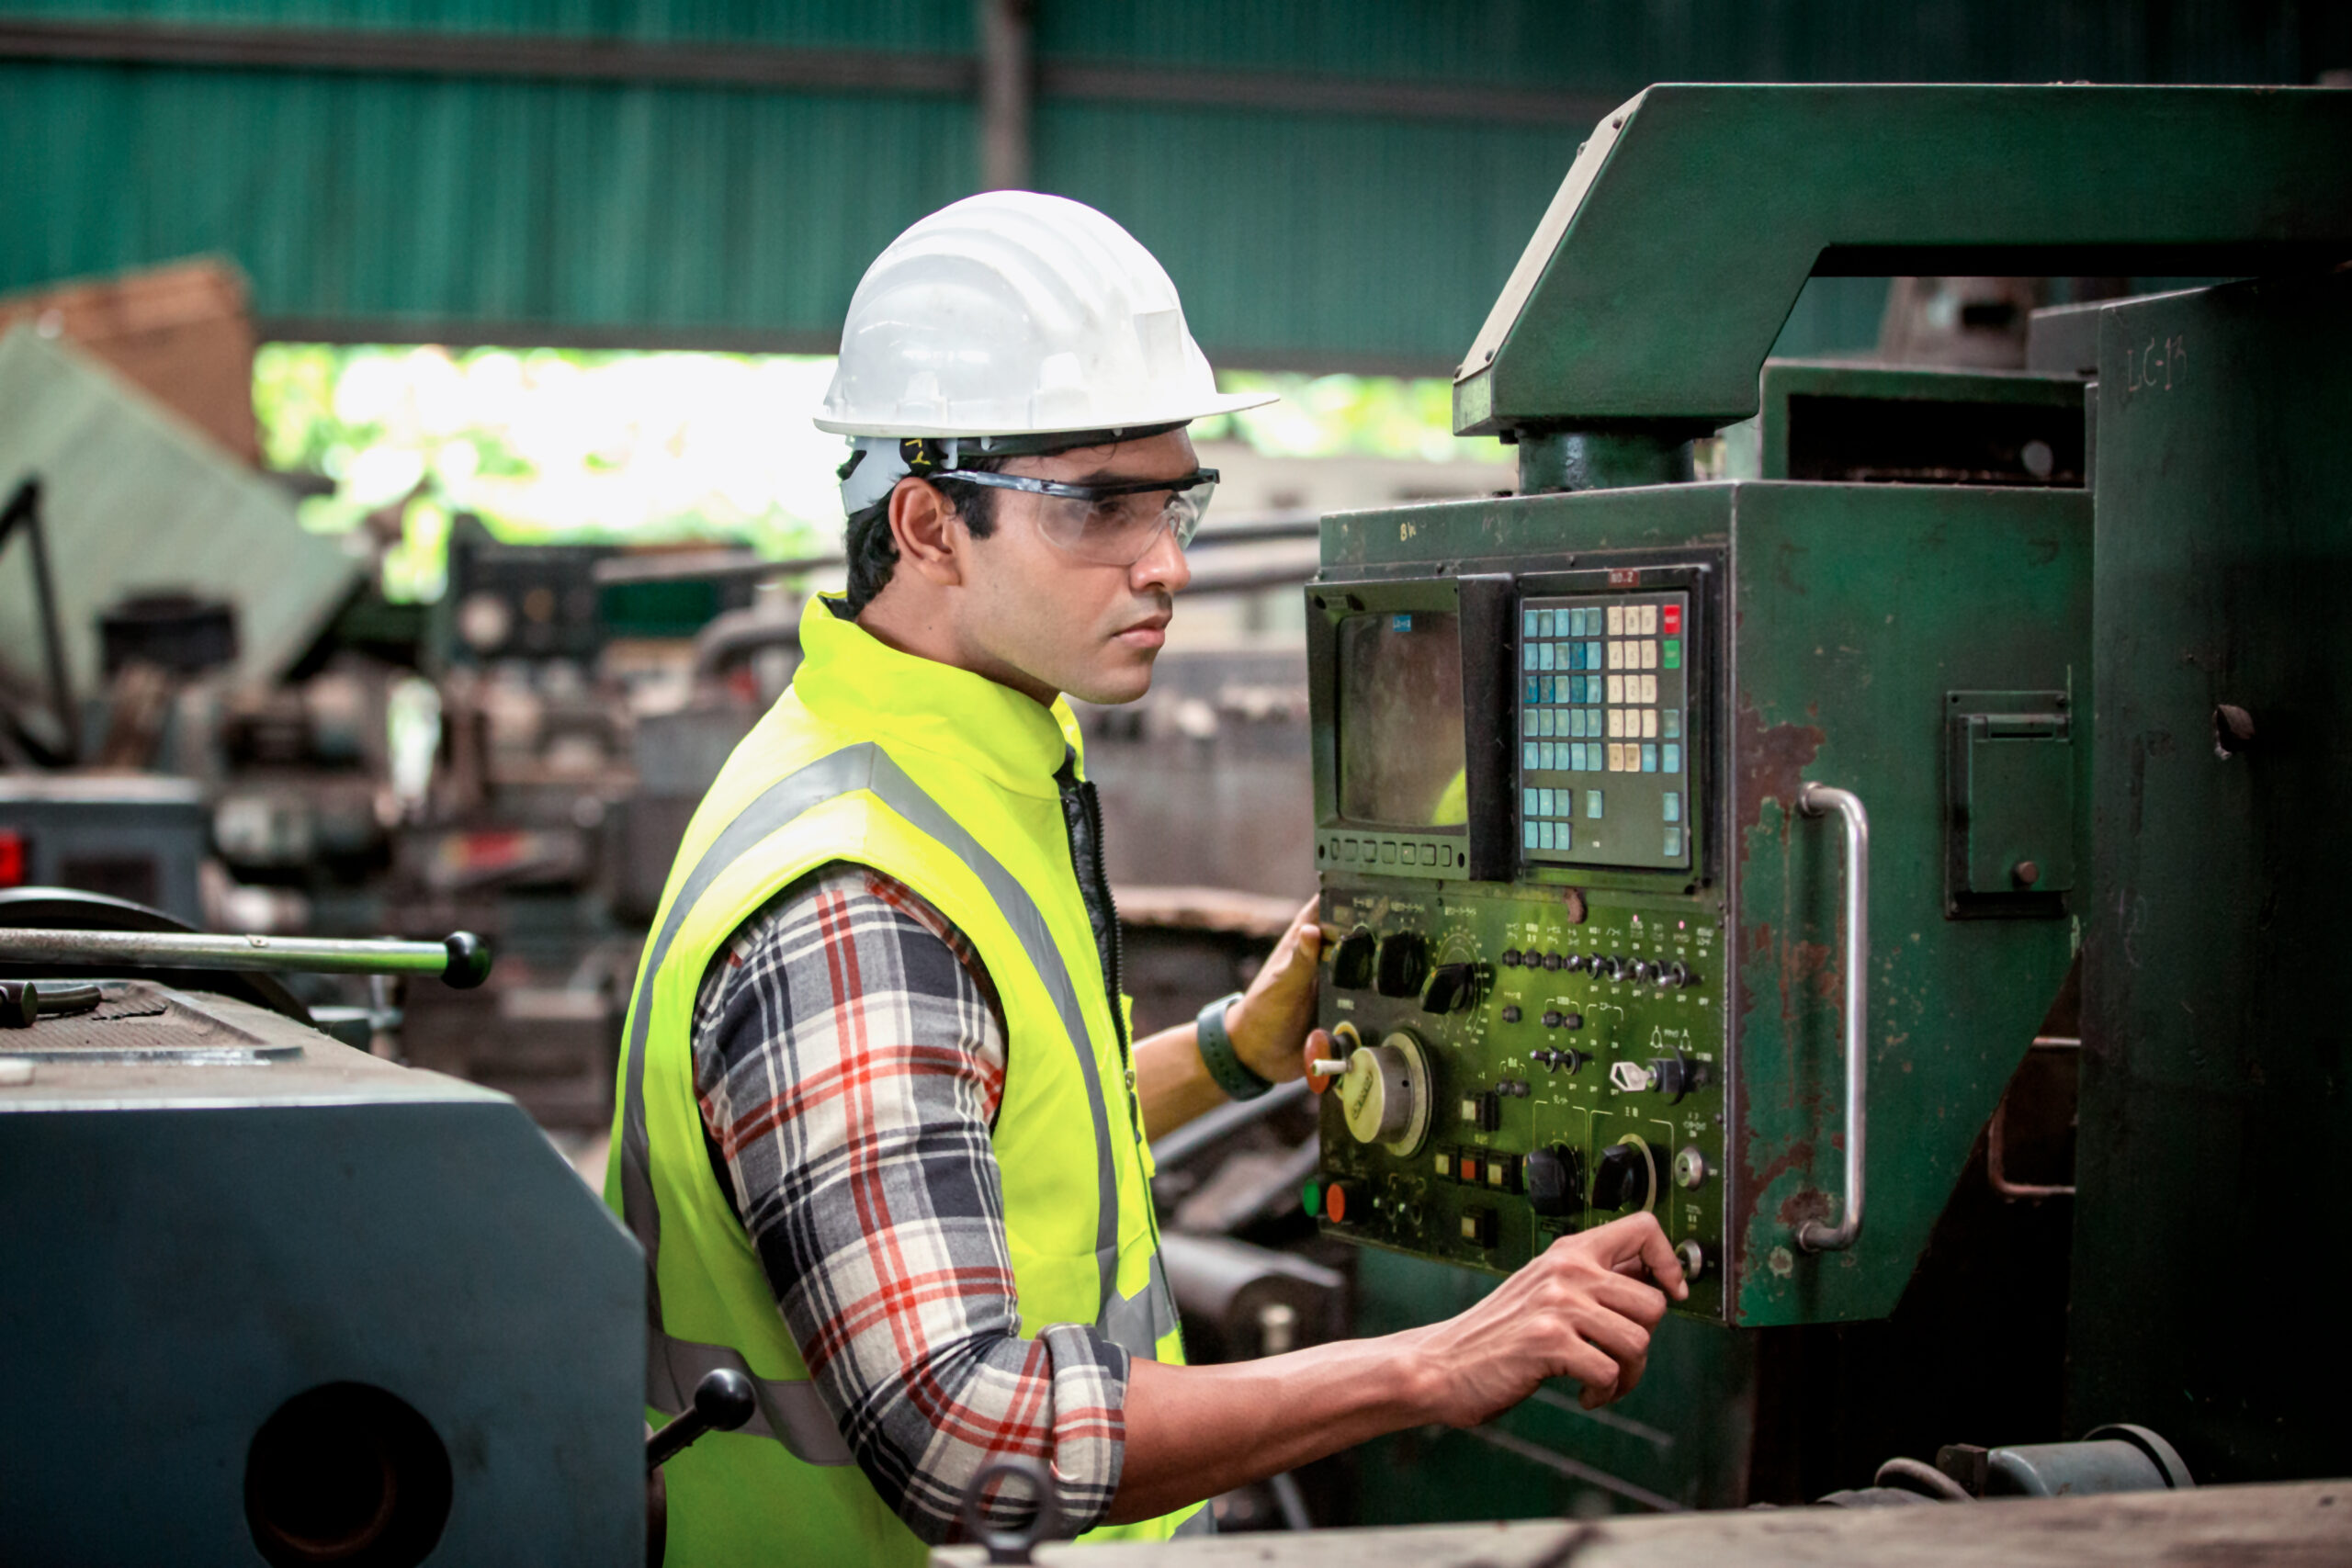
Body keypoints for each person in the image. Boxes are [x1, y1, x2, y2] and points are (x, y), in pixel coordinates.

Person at [606, 190, 1686, 1566]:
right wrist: (1432, 1362)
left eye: (1176, 499)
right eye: (1101, 508)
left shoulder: (930, 761)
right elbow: (970, 1436)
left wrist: (1236, 1050)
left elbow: (978, 1125)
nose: (1168, 562)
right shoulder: (855, 901)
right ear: (932, 526)